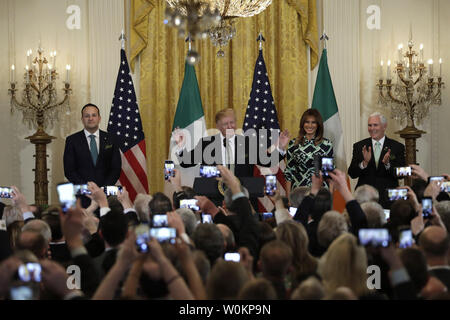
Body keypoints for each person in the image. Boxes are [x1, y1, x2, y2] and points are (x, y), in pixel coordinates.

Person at [348, 112, 405, 208]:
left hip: (389, 198)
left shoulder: (397, 147)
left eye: (375, 125)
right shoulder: (360, 146)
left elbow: (401, 174)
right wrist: (364, 163)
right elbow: (352, 173)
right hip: (365, 198)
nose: (372, 128)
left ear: (384, 126)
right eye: (369, 125)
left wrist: (388, 164)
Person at [63, 103, 121, 188]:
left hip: (106, 194)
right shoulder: (72, 140)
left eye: (94, 115)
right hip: (83, 194)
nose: (90, 118)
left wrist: (103, 189)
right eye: (87, 116)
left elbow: (116, 168)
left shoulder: (111, 139)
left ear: (99, 118)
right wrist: (87, 188)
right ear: (82, 119)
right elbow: (69, 171)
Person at [284, 109, 333, 195]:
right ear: (303, 124)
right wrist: (288, 198)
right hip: (298, 191)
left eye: (313, 122)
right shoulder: (293, 144)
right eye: (307, 122)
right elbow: (289, 172)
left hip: (320, 192)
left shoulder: (326, 144)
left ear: (318, 125)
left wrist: (330, 198)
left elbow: (328, 174)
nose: (310, 125)